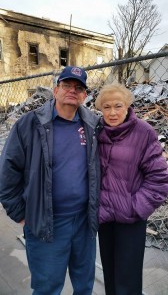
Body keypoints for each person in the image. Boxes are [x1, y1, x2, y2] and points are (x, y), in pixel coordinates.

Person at [0, 66, 101, 295]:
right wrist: (21, 214)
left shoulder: (93, 125)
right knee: (47, 288)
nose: (72, 91)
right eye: (66, 85)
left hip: (84, 223)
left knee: (84, 286)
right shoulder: (29, 125)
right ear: (55, 90)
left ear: (85, 95)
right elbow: (7, 171)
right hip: (47, 223)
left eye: (79, 88)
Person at [95, 83, 168, 295]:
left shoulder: (143, 132)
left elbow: (159, 178)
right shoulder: (98, 132)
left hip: (130, 219)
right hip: (105, 218)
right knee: (110, 274)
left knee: (128, 280)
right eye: (106, 107)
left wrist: (134, 208)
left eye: (118, 105)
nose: (112, 112)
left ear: (128, 106)